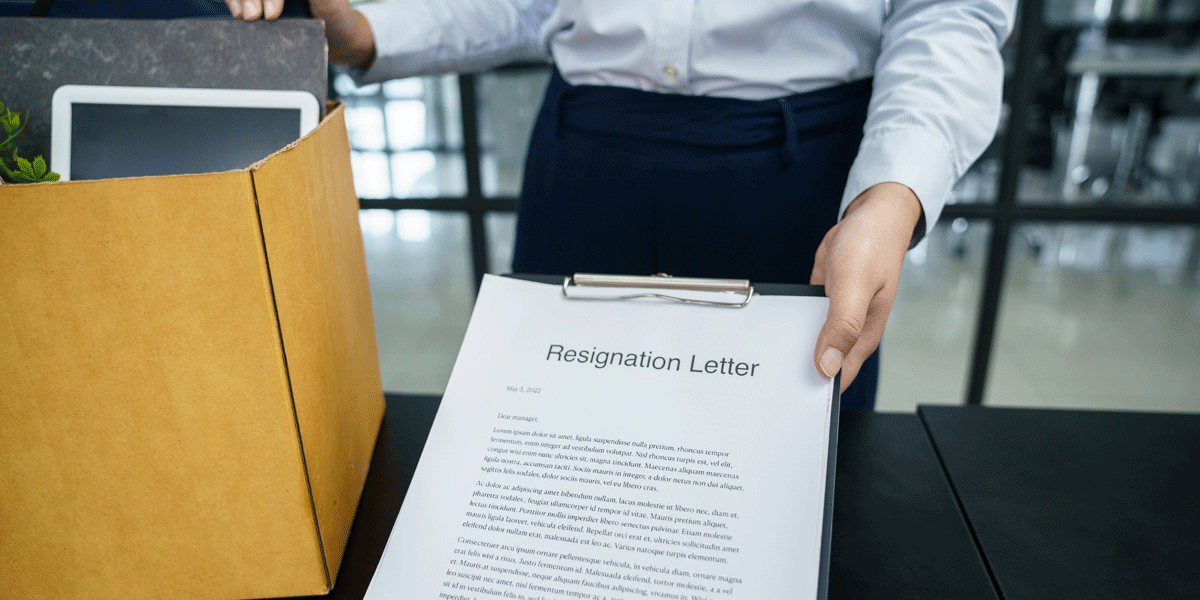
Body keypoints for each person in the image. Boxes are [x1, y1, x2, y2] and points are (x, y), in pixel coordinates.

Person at [228, 0, 1014, 410]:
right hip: (585, 154)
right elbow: (539, 5)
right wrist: (368, 33)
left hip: (797, 172)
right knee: (554, 454)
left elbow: (947, 11)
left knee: (783, 478)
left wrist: (892, 196)